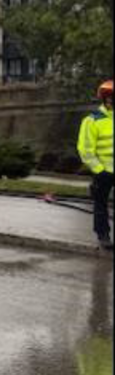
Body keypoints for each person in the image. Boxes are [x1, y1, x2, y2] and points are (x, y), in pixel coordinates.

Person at [77, 79, 113, 251]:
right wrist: (99, 170)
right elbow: (85, 149)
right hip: (104, 171)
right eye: (110, 97)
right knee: (101, 204)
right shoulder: (92, 120)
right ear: (105, 99)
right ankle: (103, 235)